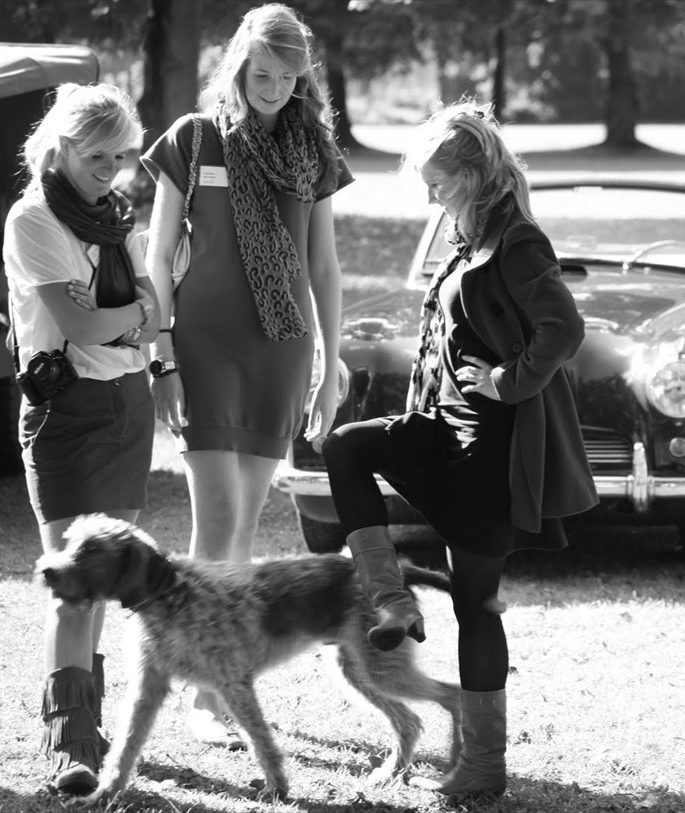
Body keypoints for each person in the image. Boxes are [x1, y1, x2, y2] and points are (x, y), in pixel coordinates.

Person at [320, 101, 597, 799]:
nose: (430, 198)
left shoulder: (517, 240)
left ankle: (481, 765)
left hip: (488, 449)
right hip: (441, 429)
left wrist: (508, 380)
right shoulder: (469, 236)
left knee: (477, 604)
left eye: (438, 183)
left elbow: (563, 328)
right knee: (346, 446)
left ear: (472, 175)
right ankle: (392, 601)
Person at [140, 2, 352, 745]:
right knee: (218, 519)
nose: (273, 88)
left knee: (247, 521)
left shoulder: (314, 149)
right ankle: (208, 694)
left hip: (281, 351)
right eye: (261, 74)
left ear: (302, 78)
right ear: (237, 68)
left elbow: (323, 266)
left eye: (287, 77)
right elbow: (157, 256)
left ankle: (220, 681)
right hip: (202, 347)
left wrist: (331, 361)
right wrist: (160, 353)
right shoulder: (194, 139)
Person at [3, 83, 157, 795]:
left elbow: (154, 314)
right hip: (63, 411)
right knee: (72, 585)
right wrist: (131, 314)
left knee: (103, 580)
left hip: (128, 406)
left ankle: (88, 727)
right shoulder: (33, 218)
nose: (111, 170)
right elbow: (84, 325)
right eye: (97, 156)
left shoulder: (118, 216)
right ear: (62, 146)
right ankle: (70, 743)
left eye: (121, 156)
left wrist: (123, 316)